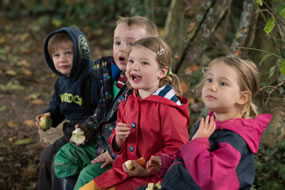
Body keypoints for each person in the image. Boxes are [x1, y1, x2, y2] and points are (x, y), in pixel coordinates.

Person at [52, 16, 160, 190]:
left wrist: (114, 153)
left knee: (88, 176)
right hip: (101, 140)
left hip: (126, 153)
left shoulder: (146, 86)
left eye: (131, 43)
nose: (122, 49)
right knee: (65, 157)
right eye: (117, 43)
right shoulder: (109, 74)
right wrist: (87, 128)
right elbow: (101, 110)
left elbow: (145, 133)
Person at [139, 56, 272, 190]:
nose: (212, 87)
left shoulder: (235, 139)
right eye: (209, 80)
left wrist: (199, 141)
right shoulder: (209, 122)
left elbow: (211, 178)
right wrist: (166, 164)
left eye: (223, 83)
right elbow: (191, 161)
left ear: (242, 97)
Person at [80, 37, 190, 190]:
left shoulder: (168, 108)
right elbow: (118, 141)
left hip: (153, 179)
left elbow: (178, 147)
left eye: (144, 63)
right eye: (131, 61)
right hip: (123, 172)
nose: (135, 67)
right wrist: (118, 139)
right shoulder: (128, 101)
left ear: (162, 72)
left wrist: (147, 169)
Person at [35, 26, 103, 190]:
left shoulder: (93, 80)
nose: (62, 59)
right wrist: (49, 116)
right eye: (56, 55)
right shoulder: (61, 82)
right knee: (46, 158)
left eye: (68, 53)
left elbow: (102, 110)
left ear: (81, 52)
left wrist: (89, 128)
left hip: (91, 133)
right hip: (71, 132)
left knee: (60, 162)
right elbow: (57, 107)